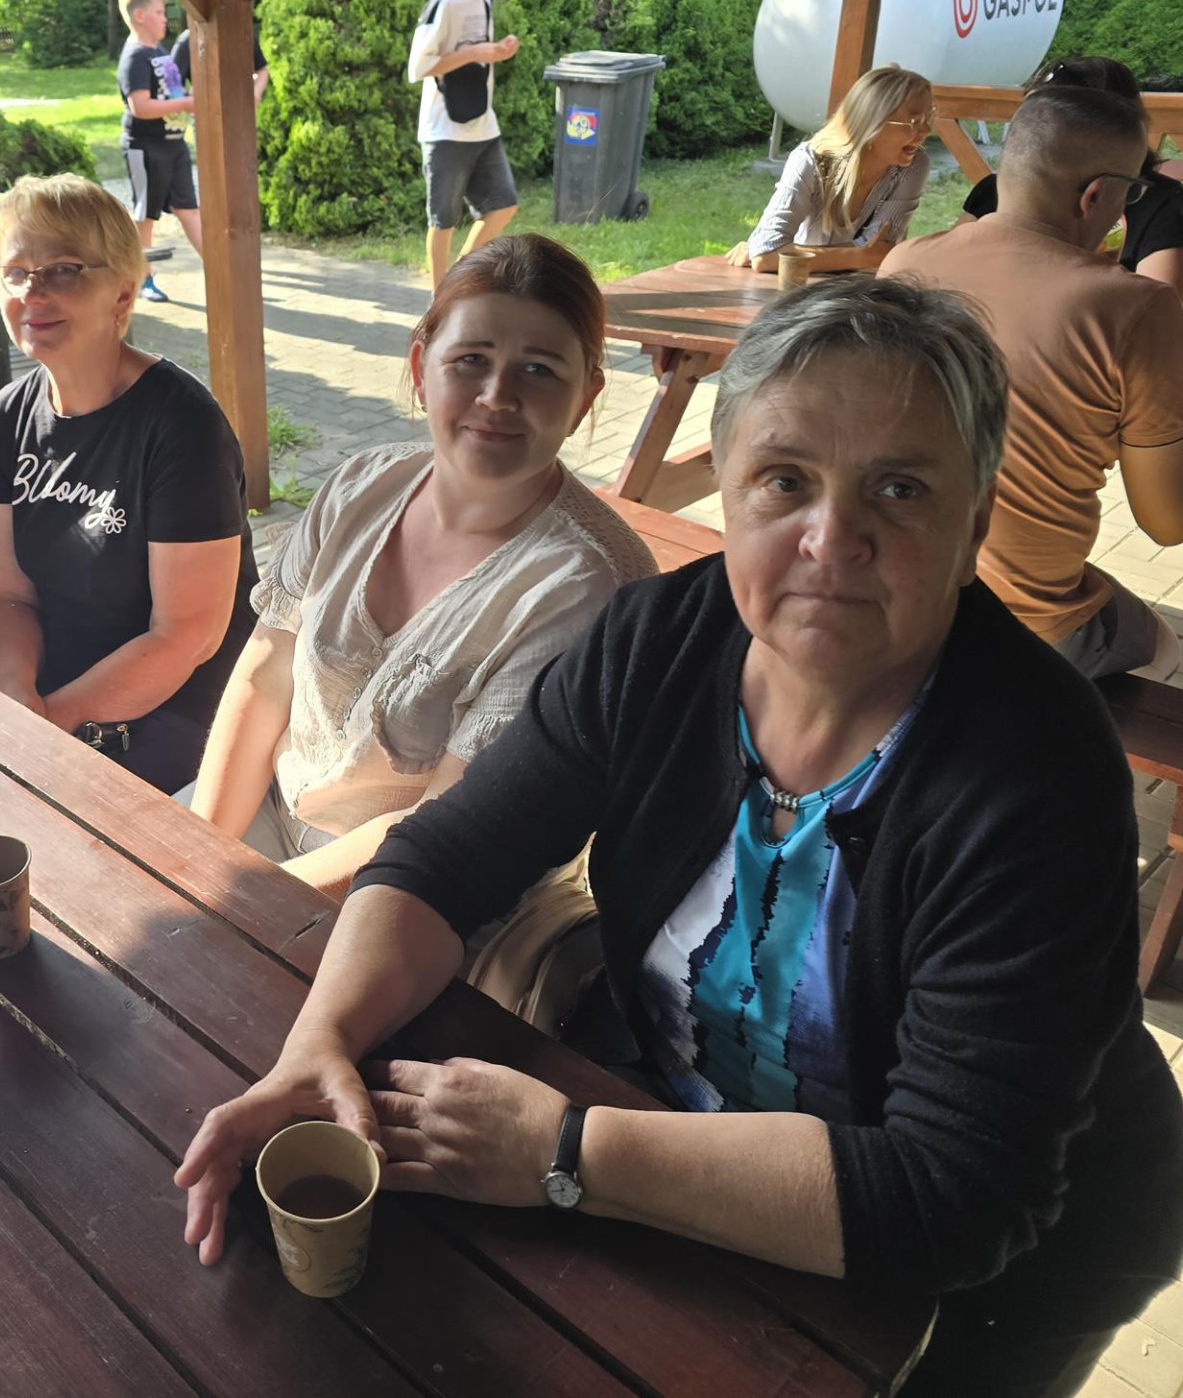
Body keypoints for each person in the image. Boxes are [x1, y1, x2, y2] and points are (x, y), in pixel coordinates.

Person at [175, 276, 1183, 1398]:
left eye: (900, 489)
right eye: (784, 480)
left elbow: (954, 1195)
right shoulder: (658, 639)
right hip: (695, 1150)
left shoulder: (1038, 774)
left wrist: (565, 1150)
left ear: (974, 522)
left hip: (996, 1263)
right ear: (732, 494)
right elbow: (445, 858)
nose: (831, 539)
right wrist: (316, 1046)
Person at [185, 234, 654, 897]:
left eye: (539, 369)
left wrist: (230, 912)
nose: (498, 395)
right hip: (268, 816)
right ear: (420, 367)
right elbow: (265, 676)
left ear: (584, 397)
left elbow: (441, 825)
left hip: (415, 897)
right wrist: (197, 855)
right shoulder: (360, 486)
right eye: (471, 360)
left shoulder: (587, 586)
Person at [884, 85, 1183, 679]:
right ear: (1097, 195)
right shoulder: (1136, 308)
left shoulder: (903, 264)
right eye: (1130, 193)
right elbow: (1166, 522)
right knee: (1167, 648)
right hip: (1025, 621)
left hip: (891, 591)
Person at [0, 173, 255, 794]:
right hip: (48, 687)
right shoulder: (4, 420)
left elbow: (185, 638)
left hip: (177, 708)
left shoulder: (183, 425)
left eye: (65, 270)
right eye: (14, 272)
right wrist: (14, 698)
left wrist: (49, 725)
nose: (32, 292)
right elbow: (6, 595)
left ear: (123, 294)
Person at [956, 56, 1183, 301]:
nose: (1033, 129)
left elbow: (1158, 306)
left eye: (1050, 117)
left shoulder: (1163, 205)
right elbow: (952, 270)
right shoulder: (994, 190)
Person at [725, 64, 932, 273]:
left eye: (929, 118)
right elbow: (766, 256)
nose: (926, 130)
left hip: (857, 287)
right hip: (796, 286)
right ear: (872, 123)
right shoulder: (810, 161)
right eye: (914, 122)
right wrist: (860, 256)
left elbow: (882, 250)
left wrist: (787, 254)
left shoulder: (912, 166)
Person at [407, 0, 520, 292]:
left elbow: (479, 57)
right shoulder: (442, 5)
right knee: (443, 221)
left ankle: (458, 280)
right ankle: (439, 301)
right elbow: (418, 68)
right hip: (444, 130)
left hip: (483, 125)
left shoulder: (483, 1)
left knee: (503, 206)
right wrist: (475, 52)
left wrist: (496, 51)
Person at [116, 0, 205, 304]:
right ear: (140, 16)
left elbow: (174, 95)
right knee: (146, 216)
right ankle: (144, 279)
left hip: (174, 146)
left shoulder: (160, 52)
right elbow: (140, 107)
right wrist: (186, 104)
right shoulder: (135, 57)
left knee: (189, 210)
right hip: (146, 148)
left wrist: (187, 101)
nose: (165, 18)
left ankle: (221, 269)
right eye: (158, 12)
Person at [168, 22, 270, 110]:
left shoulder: (244, 34)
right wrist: (189, 102)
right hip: (205, 117)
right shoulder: (188, 40)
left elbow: (262, 70)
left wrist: (256, 94)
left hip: (241, 114)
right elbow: (171, 83)